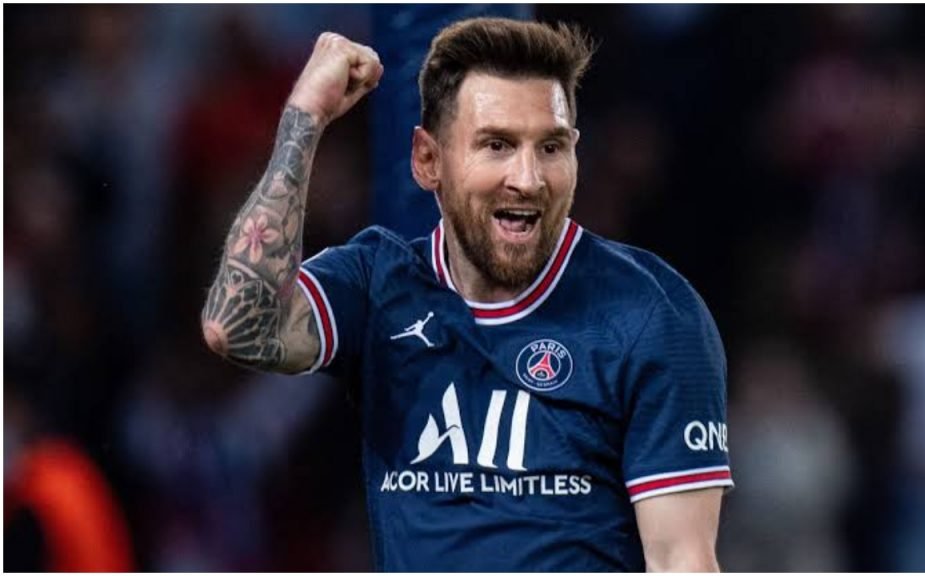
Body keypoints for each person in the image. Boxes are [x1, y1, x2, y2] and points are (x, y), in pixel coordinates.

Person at [201, 17, 732, 571]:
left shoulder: (651, 313)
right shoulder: (379, 283)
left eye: (551, 147)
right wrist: (305, 115)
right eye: (497, 145)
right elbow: (237, 328)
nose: (528, 179)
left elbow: (682, 561)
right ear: (428, 160)